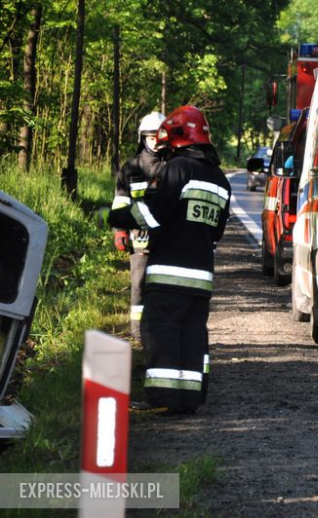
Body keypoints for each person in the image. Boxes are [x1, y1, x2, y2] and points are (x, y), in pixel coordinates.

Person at [108, 105, 231, 415]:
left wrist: (117, 216)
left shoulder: (177, 168)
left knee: (160, 330)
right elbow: (215, 231)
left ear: (177, 136)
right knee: (191, 334)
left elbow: (153, 214)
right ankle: (188, 400)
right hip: (201, 274)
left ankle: (162, 397)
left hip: (168, 272)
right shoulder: (220, 179)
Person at [111, 111, 166, 339]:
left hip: (166, 238)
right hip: (139, 238)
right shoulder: (131, 168)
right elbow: (120, 202)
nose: (155, 142)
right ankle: (137, 333)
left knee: (164, 285)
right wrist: (119, 232)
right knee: (138, 285)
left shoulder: (173, 166)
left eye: (159, 137)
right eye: (150, 137)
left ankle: (161, 329)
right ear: (142, 138)